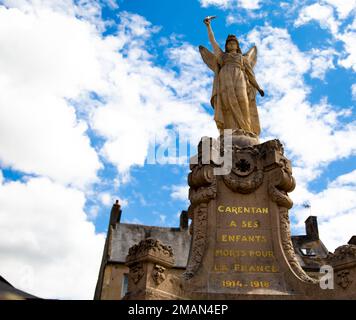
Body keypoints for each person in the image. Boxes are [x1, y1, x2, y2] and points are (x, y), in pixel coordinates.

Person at [200, 18, 264, 136]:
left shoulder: (243, 59)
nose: (231, 45)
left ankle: (246, 130)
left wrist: (258, 88)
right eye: (229, 43)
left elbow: (250, 74)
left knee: (243, 101)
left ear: (237, 46)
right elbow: (213, 42)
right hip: (225, 78)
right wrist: (208, 26)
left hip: (240, 78)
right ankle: (230, 132)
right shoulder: (222, 56)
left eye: (233, 43)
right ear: (226, 46)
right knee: (227, 104)